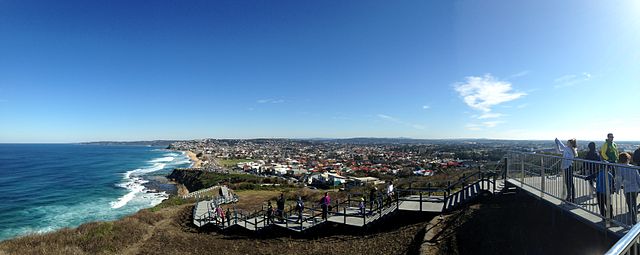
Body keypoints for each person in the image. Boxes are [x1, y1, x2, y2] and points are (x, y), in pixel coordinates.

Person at [615, 152, 640, 224]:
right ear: (628, 159)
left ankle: (634, 221)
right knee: (634, 203)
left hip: (627, 189)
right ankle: (634, 218)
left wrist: (617, 189)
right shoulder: (633, 167)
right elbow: (638, 178)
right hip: (635, 188)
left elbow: (619, 180)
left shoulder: (620, 168)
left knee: (630, 204)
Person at [555, 138, 577, 203]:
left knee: (569, 182)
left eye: (568, 142)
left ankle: (570, 197)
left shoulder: (570, 149)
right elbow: (559, 151)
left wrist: (557, 140)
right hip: (567, 167)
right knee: (569, 182)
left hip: (568, 167)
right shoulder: (568, 149)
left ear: (570, 144)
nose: (567, 143)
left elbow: (562, 147)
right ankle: (570, 197)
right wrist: (556, 144)